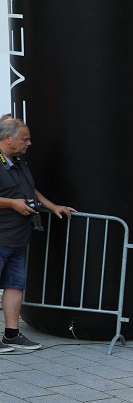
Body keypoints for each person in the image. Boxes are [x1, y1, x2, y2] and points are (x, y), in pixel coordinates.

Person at [0, 118, 75, 352]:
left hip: (18, 239)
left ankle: (11, 335)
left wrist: (52, 206)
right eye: (25, 139)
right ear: (7, 138)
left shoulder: (19, 161)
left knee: (14, 286)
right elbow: (15, 197)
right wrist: (11, 203)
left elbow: (29, 189)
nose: (29, 143)